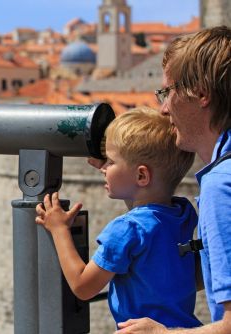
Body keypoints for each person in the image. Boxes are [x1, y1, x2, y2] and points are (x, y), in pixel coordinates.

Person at [36, 107, 201, 328]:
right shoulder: (182, 214)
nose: (104, 168)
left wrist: (59, 230)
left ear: (141, 175)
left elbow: (83, 287)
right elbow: (143, 201)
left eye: (110, 162)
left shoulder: (127, 230)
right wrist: (118, 167)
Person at [114, 26, 231, 334]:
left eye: (167, 92)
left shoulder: (222, 185)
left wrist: (165, 333)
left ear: (202, 94)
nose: (163, 109)